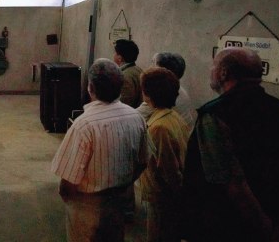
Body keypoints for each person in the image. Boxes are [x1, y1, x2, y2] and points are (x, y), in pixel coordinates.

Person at [181, 48, 279, 242]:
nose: (211, 71)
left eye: (213, 66)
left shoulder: (215, 115)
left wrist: (267, 231)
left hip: (228, 226)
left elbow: (232, 183)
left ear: (223, 73)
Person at [51, 58, 147, 242]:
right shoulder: (136, 117)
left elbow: (68, 182)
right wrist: (122, 185)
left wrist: (75, 202)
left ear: (90, 88)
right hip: (119, 201)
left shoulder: (84, 125)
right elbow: (143, 162)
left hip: (87, 205)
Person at [138, 67, 190, 242]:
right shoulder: (173, 116)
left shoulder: (159, 128)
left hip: (163, 199)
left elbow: (169, 170)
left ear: (148, 94)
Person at [136, 52, 196, 126]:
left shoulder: (161, 94)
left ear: (163, 73)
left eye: (154, 65)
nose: (150, 68)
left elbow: (135, 117)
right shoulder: (177, 89)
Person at [113, 39, 143, 108]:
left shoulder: (123, 76)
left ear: (119, 58)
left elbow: (124, 105)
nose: (113, 55)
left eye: (115, 53)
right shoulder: (138, 69)